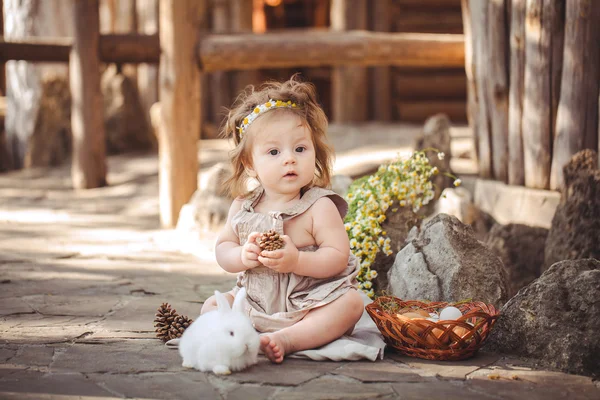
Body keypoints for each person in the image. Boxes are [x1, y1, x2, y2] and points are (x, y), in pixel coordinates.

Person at [201, 75, 364, 363]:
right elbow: (223, 249)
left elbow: (339, 256)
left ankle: (287, 339)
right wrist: (242, 255)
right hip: (253, 303)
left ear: (314, 152)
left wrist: (298, 262)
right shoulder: (244, 206)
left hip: (310, 304)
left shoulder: (318, 206)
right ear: (250, 164)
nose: (289, 159)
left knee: (351, 303)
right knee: (211, 306)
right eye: (274, 152)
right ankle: (246, 335)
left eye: (300, 149)